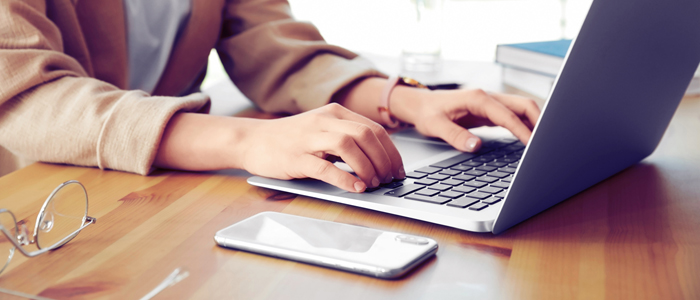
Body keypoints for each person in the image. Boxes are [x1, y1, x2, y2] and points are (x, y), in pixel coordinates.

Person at [0, 0, 540, 193]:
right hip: (41, 201)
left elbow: (271, 44)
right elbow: (27, 94)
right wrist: (246, 140)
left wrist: (403, 100)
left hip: (148, 191)